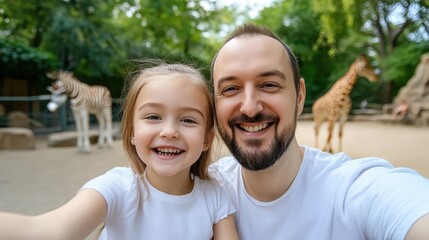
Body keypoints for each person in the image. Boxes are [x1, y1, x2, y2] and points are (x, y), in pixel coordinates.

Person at [209, 22, 429, 240]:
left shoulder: (353, 189)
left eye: (269, 85)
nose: (249, 107)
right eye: (230, 89)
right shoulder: (204, 187)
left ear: (300, 97)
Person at [0, 63, 238, 240]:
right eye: (153, 117)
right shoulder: (117, 187)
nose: (169, 131)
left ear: (207, 139)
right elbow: (48, 232)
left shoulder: (216, 196)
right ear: (132, 132)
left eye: (188, 120)